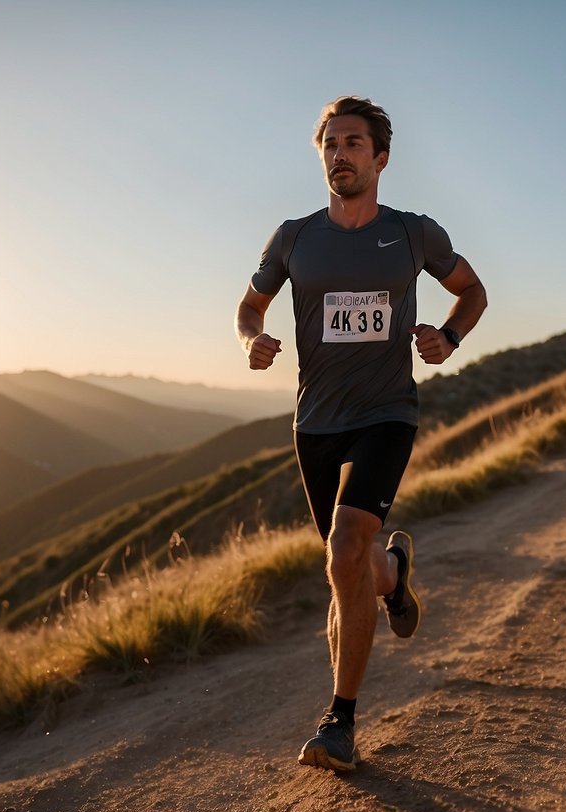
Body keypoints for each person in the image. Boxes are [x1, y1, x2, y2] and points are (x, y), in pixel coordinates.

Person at [234, 96, 487, 773]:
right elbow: (249, 305)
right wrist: (252, 338)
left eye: (352, 143)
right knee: (352, 562)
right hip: (314, 422)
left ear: (380, 157)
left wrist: (449, 335)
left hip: (385, 414)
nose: (339, 154)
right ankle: (394, 573)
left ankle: (338, 721)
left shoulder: (412, 233)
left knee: (344, 545)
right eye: (329, 144)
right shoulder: (292, 237)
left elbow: (472, 291)